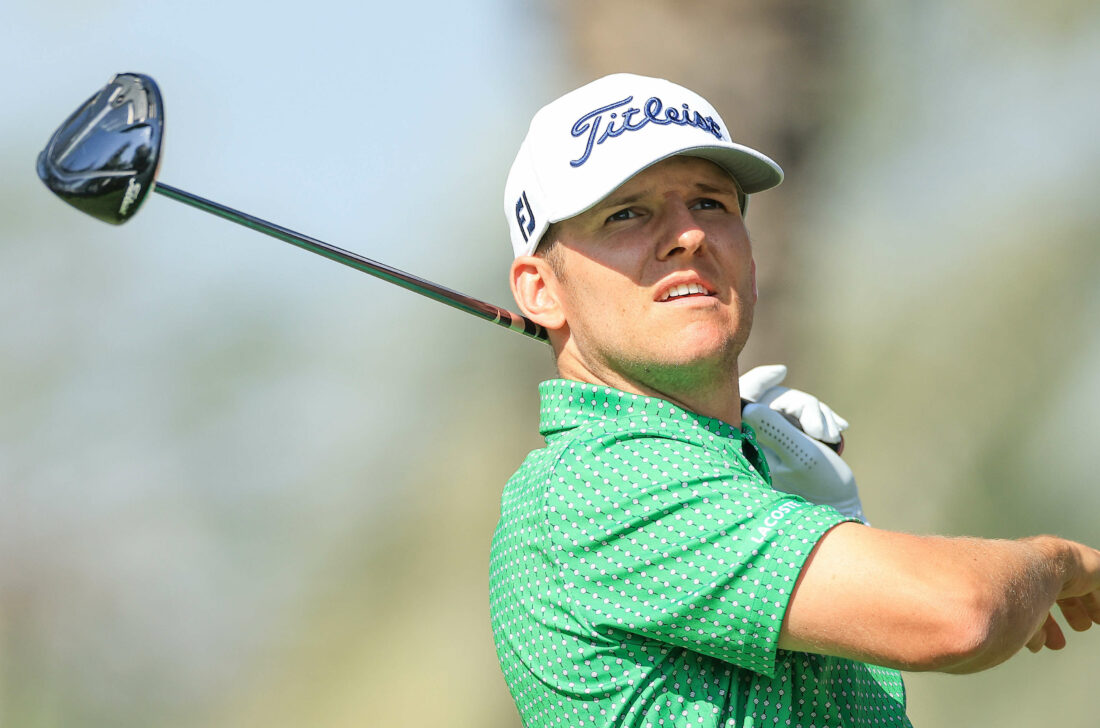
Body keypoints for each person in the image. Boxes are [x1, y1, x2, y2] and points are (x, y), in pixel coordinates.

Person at [488, 73, 1100, 727]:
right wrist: (1052, 562)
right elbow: (959, 613)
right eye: (627, 214)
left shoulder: (724, 478)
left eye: (711, 204)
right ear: (540, 290)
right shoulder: (601, 481)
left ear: (748, 258)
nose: (688, 235)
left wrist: (815, 515)